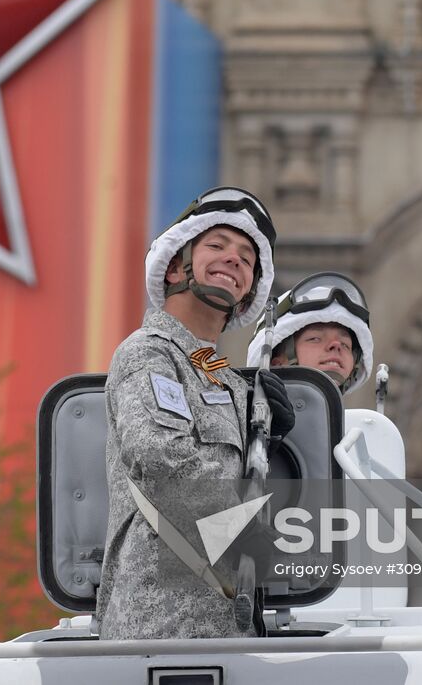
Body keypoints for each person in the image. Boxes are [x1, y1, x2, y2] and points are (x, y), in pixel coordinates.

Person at [96, 187, 296, 640]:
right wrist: (239, 523)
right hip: (159, 623)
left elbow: (244, 466)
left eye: (247, 257)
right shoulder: (148, 354)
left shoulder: (217, 372)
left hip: (227, 626)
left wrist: (267, 426)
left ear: (248, 294)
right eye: (217, 245)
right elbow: (158, 456)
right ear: (174, 268)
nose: (234, 259)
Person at [246, 271, 373, 400]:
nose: (335, 345)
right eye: (315, 339)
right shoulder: (237, 418)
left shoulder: (363, 420)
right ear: (277, 365)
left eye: (345, 345)